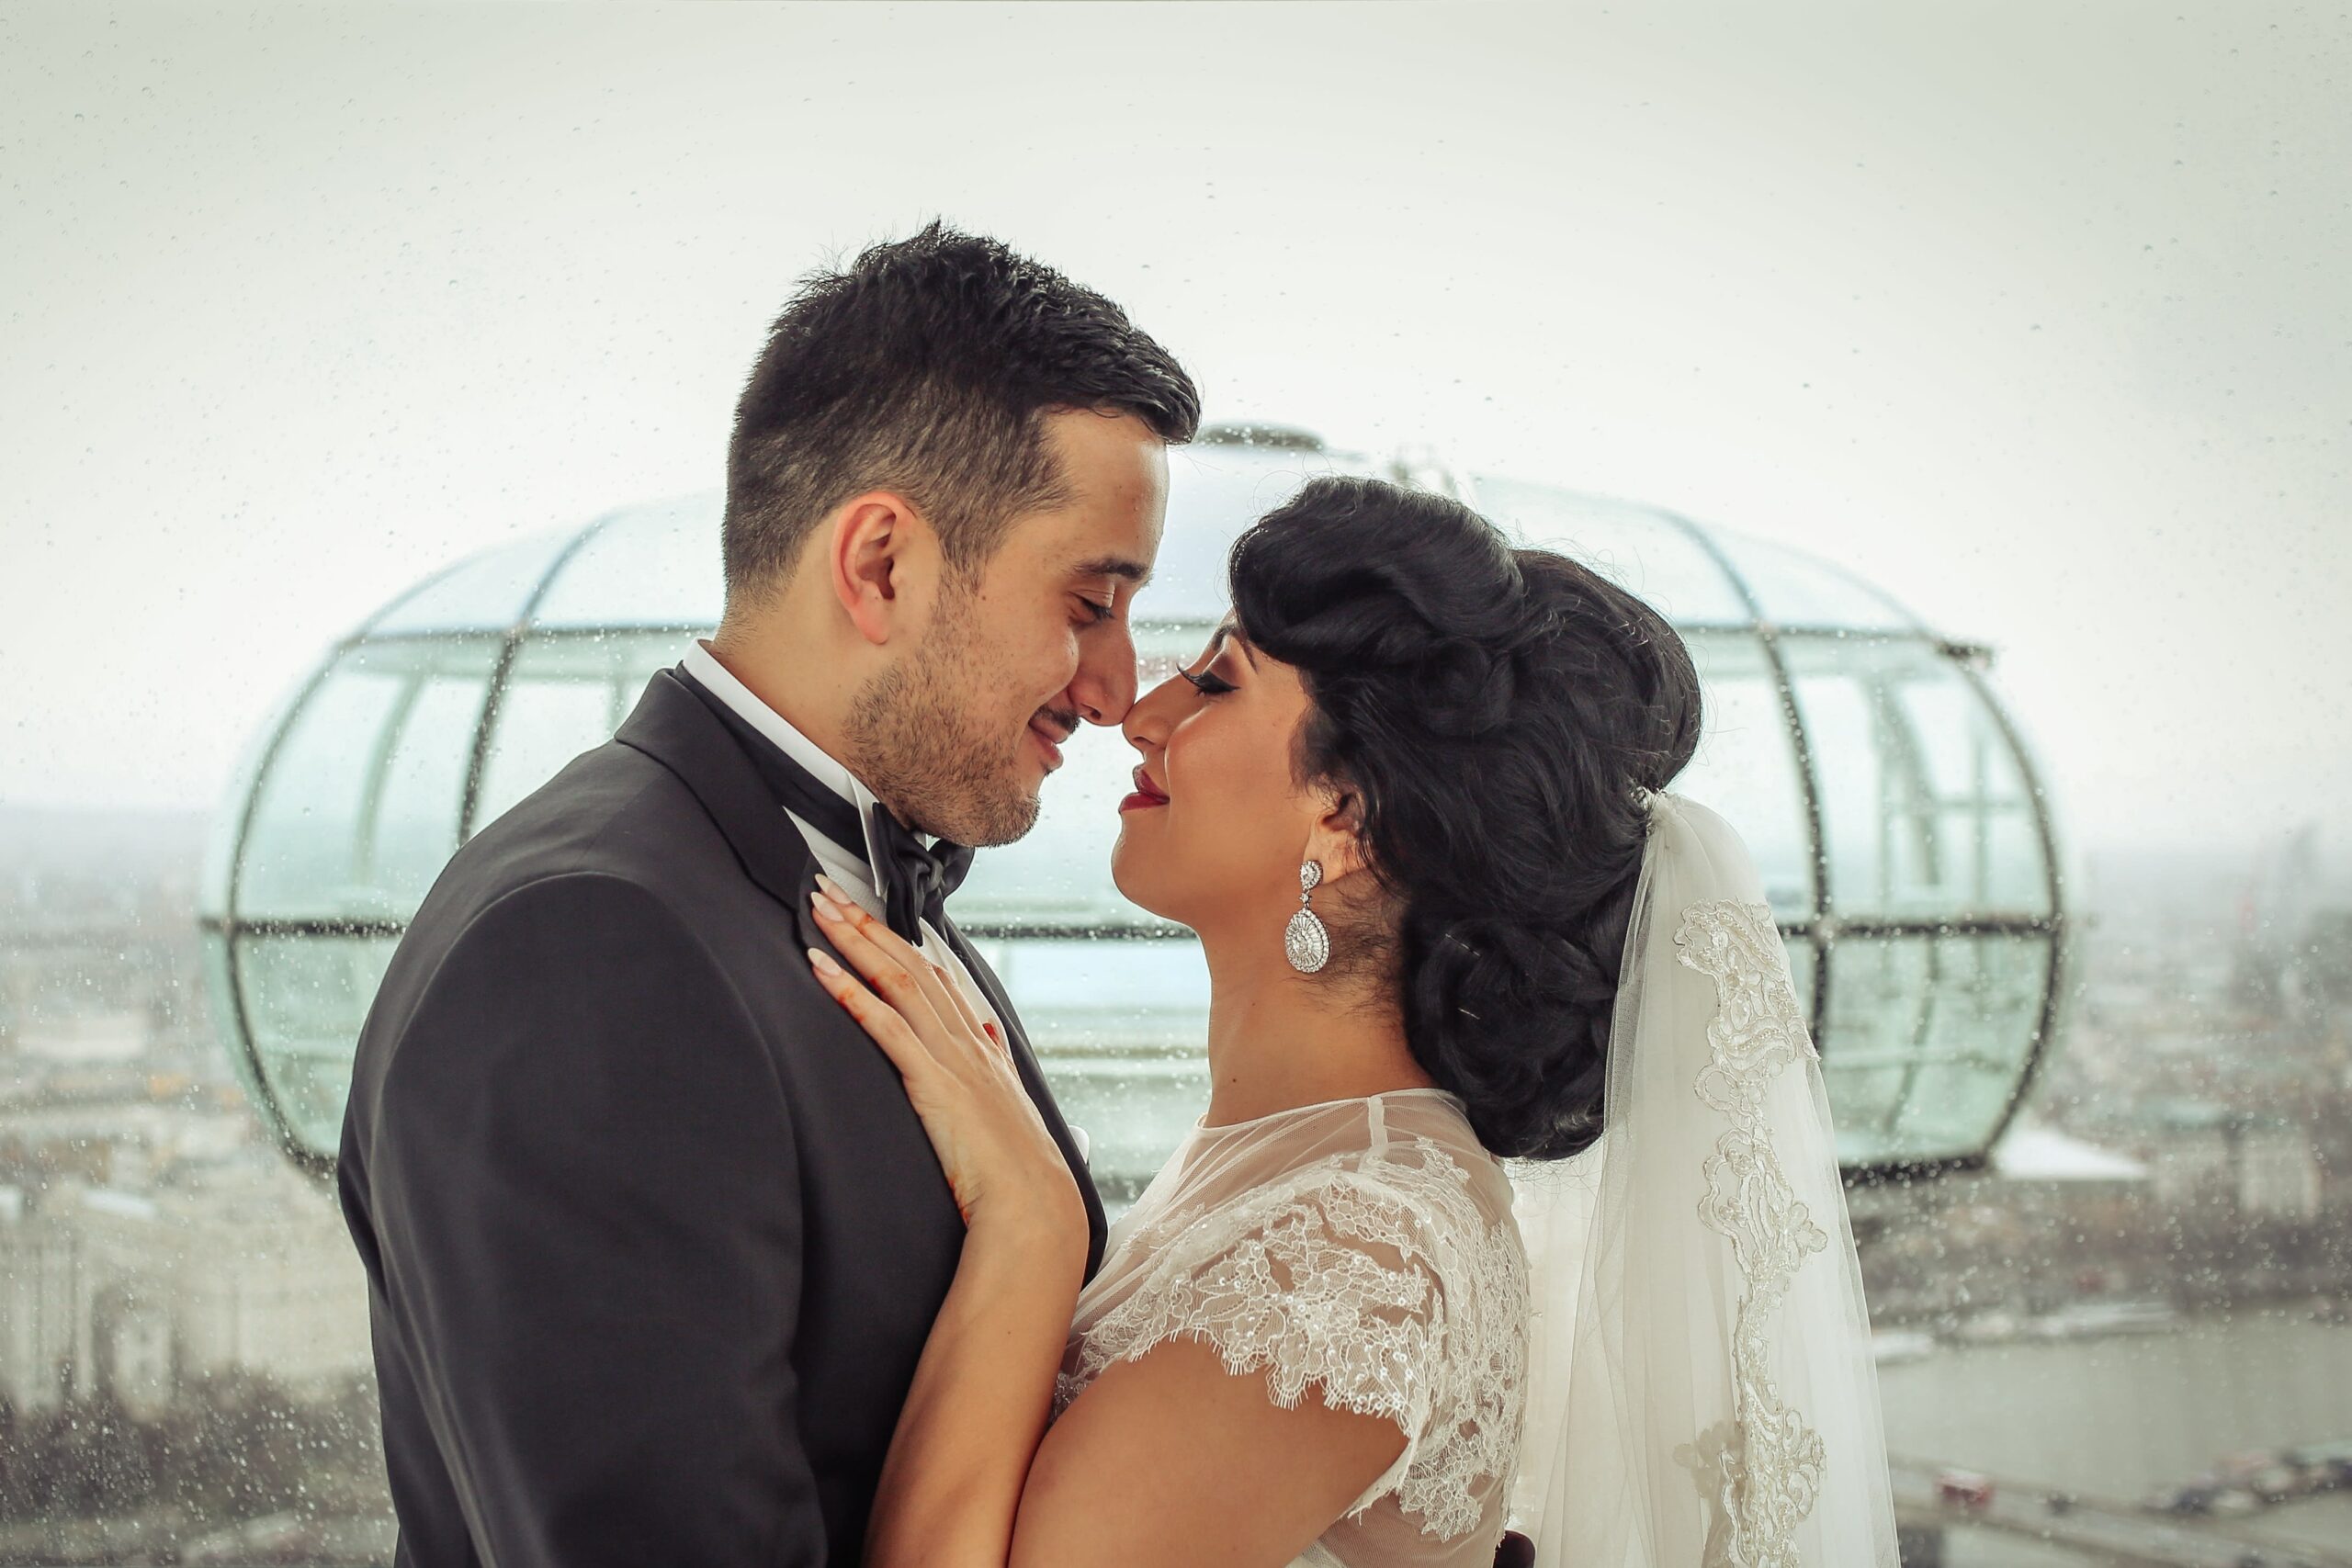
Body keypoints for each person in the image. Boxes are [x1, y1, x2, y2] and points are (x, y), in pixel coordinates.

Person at [807, 473, 1901, 1567]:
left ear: (1347, 814)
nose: (1142, 715)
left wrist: (1030, 1226)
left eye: (1217, 682)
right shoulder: (1291, 1166)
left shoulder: (1358, 1255)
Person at [334, 220, 1199, 1567]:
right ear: (880, 565)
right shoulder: (586, 953)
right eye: (1089, 602)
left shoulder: (848, 876)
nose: (1115, 686)